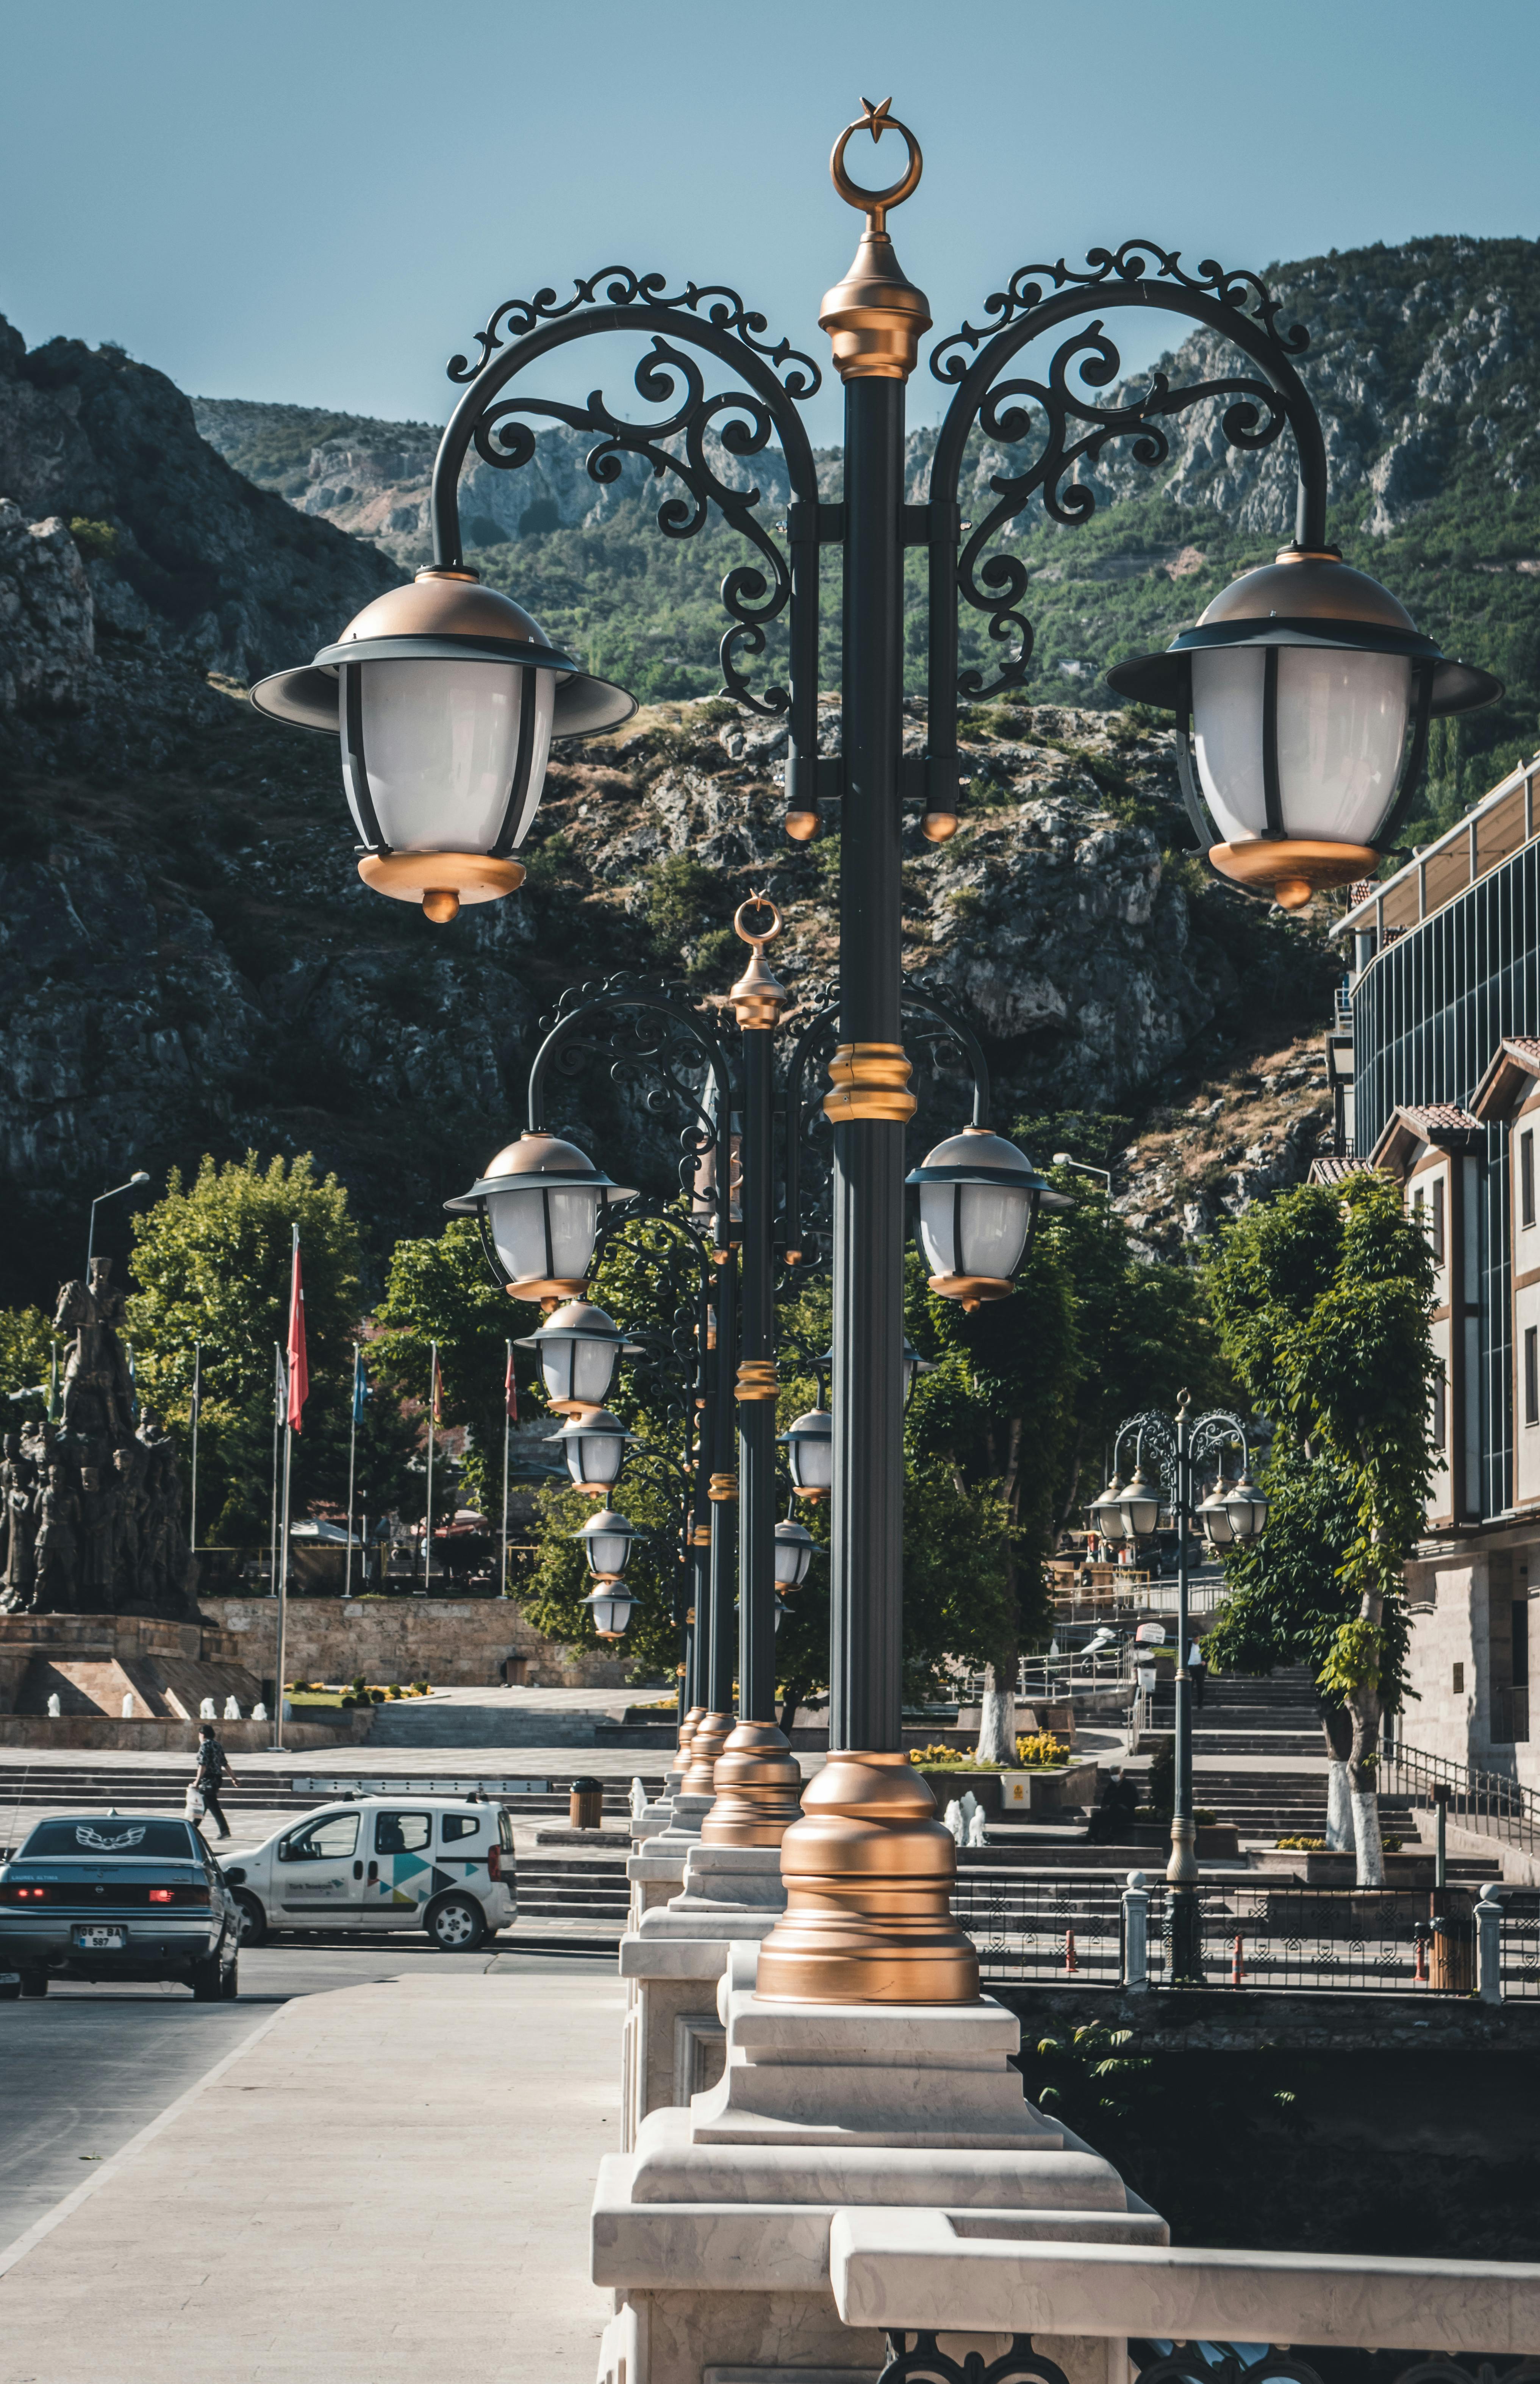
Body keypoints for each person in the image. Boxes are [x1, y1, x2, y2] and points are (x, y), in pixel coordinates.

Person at [192, 1722, 238, 1840]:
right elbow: (225, 1764)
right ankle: (193, 1828)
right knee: (205, 1804)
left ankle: (224, 1830)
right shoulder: (217, 1745)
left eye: (200, 1734)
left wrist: (197, 1782)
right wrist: (234, 1778)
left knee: (213, 1806)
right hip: (217, 1779)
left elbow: (203, 1765)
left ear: (202, 1734)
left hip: (208, 1780)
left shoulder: (205, 1745)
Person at [1188, 1637, 1207, 1710]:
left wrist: (1205, 1661)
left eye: (1197, 1639)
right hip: (1191, 1668)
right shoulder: (1189, 1645)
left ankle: (1200, 1704)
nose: (1196, 1640)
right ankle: (1188, 1704)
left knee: (1201, 1688)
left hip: (1200, 1668)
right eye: (1195, 1639)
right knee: (1190, 1687)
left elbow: (1207, 1655)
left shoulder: (1202, 1646)